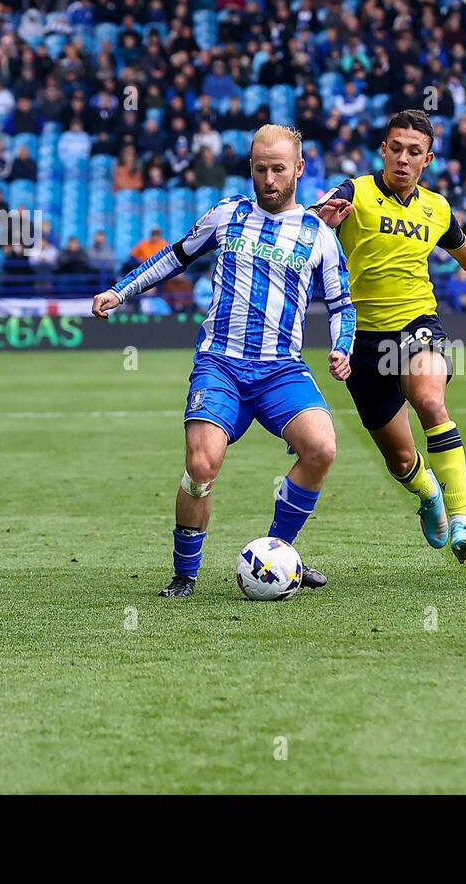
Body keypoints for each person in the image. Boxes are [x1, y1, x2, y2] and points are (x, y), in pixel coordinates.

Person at [91, 125, 355, 598]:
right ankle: (184, 577)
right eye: (260, 169)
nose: (269, 179)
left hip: (280, 369)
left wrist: (342, 346)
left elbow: (342, 305)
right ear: (250, 169)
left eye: (278, 169)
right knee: (201, 466)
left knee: (322, 448)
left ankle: (280, 555)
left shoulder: (317, 235)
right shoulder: (228, 214)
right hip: (221, 365)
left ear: (298, 169)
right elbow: (174, 256)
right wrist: (121, 290)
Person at [311, 109, 466, 563]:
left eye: (414, 152)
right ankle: (430, 495)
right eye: (396, 148)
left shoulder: (437, 208)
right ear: (383, 150)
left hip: (417, 325)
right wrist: (318, 221)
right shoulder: (353, 193)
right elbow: (306, 227)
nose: (403, 158)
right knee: (401, 461)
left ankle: (462, 518)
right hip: (362, 341)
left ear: (428, 160)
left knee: (430, 400)